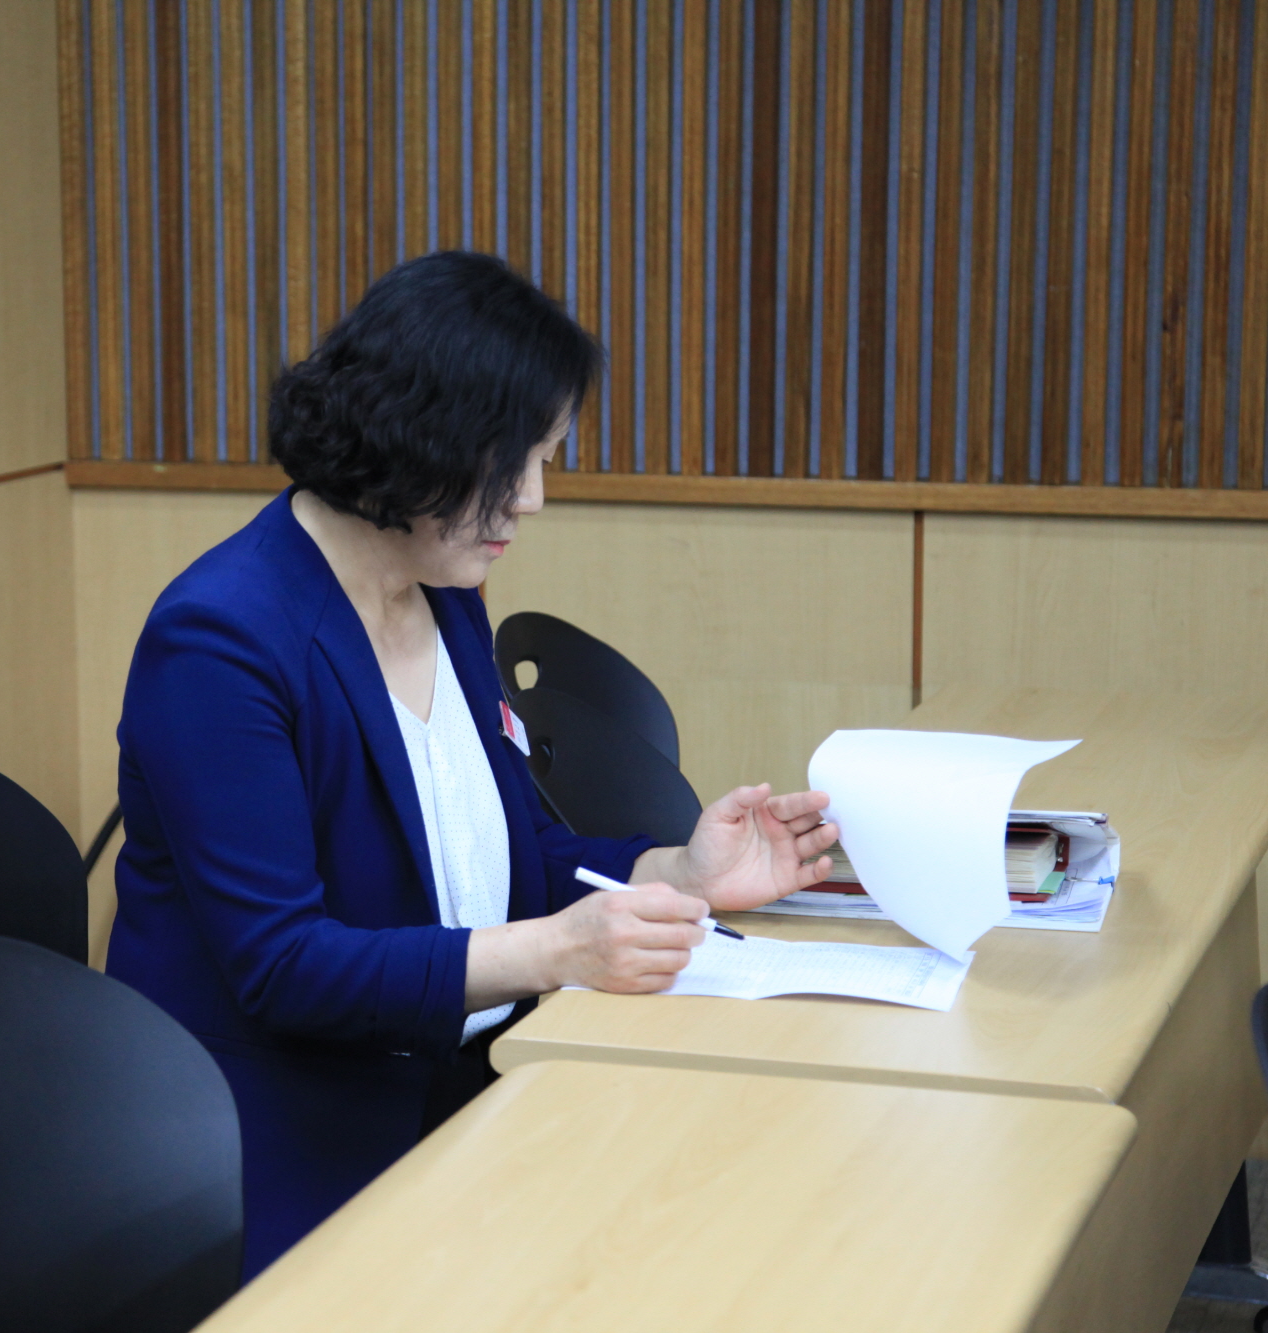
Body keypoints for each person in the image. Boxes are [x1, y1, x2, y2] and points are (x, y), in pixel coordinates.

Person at [106, 250, 840, 1277]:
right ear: (418, 437)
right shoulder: (220, 640)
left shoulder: (443, 593)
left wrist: (679, 871)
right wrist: (557, 951)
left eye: (545, 459)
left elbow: (506, 858)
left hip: (468, 1078)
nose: (532, 499)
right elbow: (284, 968)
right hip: (274, 1136)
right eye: (515, 462)